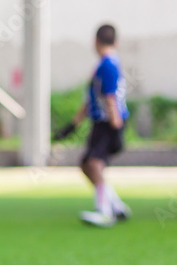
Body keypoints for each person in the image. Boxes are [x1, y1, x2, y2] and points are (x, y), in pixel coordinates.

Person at [56, 24, 131, 228]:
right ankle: (115, 205)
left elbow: (109, 96)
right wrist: (74, 124)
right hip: (102, 121)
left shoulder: (107, 65)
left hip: (107, 122)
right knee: (86, 164)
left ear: (95, 42)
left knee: (94, 163)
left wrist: (115, 124)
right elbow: (92, 98)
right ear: (116, 42)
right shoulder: (108, 64)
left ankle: (105, 211)